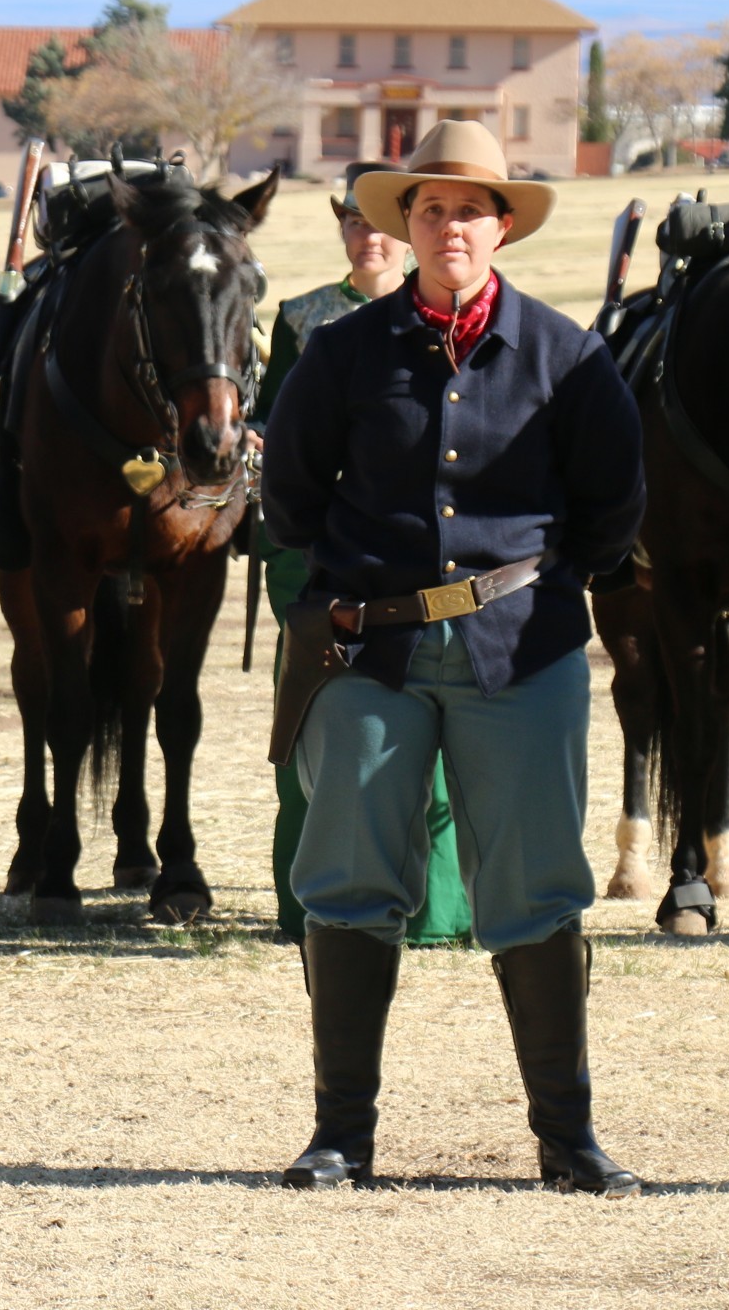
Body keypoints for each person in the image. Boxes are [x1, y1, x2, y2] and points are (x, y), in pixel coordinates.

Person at [261, 118, 644, 1193]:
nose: (448, 227)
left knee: (534, 889)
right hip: (368, 658)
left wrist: (532, 585)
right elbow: (290, 501)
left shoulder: (570, 358)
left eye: (469, 208)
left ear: (503, 224)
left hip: (519, 652)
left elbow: (613, 515)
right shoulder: (340, 355)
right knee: (345, 885)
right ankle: (342, 1135)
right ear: (404, 226)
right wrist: (351, 588)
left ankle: (566, 1139)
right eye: (428, 209)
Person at [253, 162, 469, 948]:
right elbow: (276, 434)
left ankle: (440, 913)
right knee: (309, 727)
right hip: (319, 563)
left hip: (423, 568)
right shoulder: (303, 318)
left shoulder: (449, 318)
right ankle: (302, 905)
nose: (366, 235)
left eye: (379, 221)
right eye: (352, 219)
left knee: (440, 744)